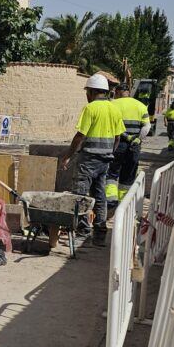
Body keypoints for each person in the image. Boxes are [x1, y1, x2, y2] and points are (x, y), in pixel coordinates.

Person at [59, 74, 126, 246]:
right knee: (100, 196)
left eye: (87, 91)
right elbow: (118, 137)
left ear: (91, 92)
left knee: (80, 195)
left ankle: (83, 232)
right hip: (105, 161)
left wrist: (68, 156)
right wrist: (109, 153)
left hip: (88, 159)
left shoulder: (91, 109)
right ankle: (100, 236)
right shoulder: (114, 109)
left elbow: (80, 136)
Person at [106, 84, 151, 209]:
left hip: (117, 143)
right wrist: (137, 139)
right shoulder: (141, 106)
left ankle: (110, 199)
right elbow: (146, 127)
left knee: (112, 171)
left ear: (118, 92)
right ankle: (124, 203)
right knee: (129, 172)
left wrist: (125, 136)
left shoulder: (112, 104)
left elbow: (110, 125)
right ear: (129, 91)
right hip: (134, 145)